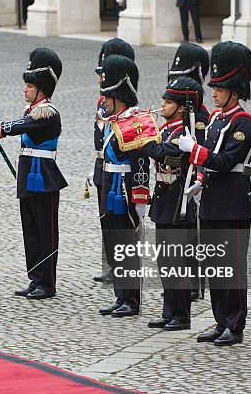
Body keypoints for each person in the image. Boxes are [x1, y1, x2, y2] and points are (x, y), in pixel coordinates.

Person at [178, 41, 251, 346]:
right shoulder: (215, 119)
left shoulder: (243, 123)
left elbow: (226, 161)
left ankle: (234, 324)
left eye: (220, 88)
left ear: (234, 91)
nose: (214, 92)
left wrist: (195, 151)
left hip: (233, 201)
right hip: (211, 199)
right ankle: (220, 318)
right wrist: (198, 177)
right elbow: (209, 158)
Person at [0, 48, 67, 300]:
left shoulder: (47, 112)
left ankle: (47, 283)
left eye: (30, 86)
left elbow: (23, 127)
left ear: (42, 88)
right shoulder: (32, 109)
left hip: (44, 177)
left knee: (45, 232)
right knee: (30, 229)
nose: (25, 89)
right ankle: (35, 277)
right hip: (29, 175)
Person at [97, 54, 158, 317]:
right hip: (110, 184)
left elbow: (141, 160)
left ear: (118, 96)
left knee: (127, 244)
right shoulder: (115, 122)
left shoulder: (135, 121)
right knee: (113, 241)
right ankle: (121, 295)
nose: (103, 102)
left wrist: (140, 197)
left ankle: (131, 299)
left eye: (107, 98)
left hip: (124, 189)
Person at [142, 77, 203, 331]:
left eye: (167, 102)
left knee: (177, 261)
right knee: (165, 261)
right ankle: (170, 310)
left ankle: (181, 314)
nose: (162, 105)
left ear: (180, 107)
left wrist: (144, 141)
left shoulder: (185, 131)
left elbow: (167, 154)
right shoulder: (167, 128)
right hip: (164, 197)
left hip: (179, 198)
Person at [167, 42, 210, 300]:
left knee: (192, 232)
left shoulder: (200, 115)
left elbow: (201, 147)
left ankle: (194, 280)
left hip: (194, 176)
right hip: (177, 178)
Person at [93, 38, 136, 284]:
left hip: (120, 172)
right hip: (103, 166)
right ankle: (111, 264)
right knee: (106, 220)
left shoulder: (124, 107)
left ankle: (122, 270)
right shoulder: (103, 102)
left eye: (104, 74)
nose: (100, 79)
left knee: (122, 223)